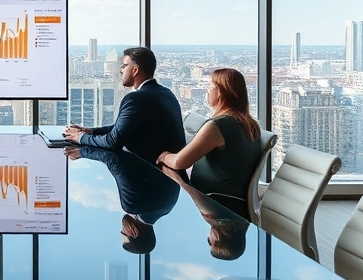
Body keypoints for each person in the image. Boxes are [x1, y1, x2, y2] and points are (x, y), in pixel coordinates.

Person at [63, 47, 188, 180]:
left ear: (135, 70)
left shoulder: (136, 98)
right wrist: (90, 131)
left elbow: (113, 141)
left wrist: (80, 138)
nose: (121, 70)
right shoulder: (166, 93)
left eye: (124, 65)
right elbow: (123, 128)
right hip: (171, 181)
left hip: (151, 178)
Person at [155, 68, 263, 220]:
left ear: (220, 92)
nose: (207, 91)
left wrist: (164, 156)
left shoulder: (218, 125)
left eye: (210, 87)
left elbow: (180, 162)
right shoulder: (251, 124)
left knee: (165, 172)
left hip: (214, 204)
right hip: (235, 203)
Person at [67, 145, 180, 255]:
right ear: (134, 232)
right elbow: (112, 159)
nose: (122, 230)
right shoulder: (133, 206)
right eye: (123, 233)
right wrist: (82, 152)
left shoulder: (168, 206)